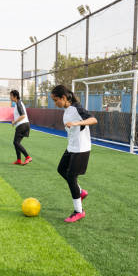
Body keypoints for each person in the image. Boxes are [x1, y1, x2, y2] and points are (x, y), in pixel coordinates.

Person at [50, 85, 97, 223]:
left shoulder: (77, 108)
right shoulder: (67, 110)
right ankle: (80, 192)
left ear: (63, 98)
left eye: (55, 100)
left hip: (81, 149)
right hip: (71, 147)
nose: (55, 103)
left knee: (71, 177)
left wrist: (77, 123)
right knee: (61, 169)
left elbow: (93, 120)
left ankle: (79, 211)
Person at [9, 90, 32, 165]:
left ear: (15, 96)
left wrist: (14, 122)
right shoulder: (17, 103)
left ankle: (27, 157)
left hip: (22, 125)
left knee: (16, 142)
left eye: (11, 96)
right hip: (23, 125)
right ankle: (18, 160)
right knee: (16, 143)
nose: (10, 97)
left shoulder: (19, 103)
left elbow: (23, 115)